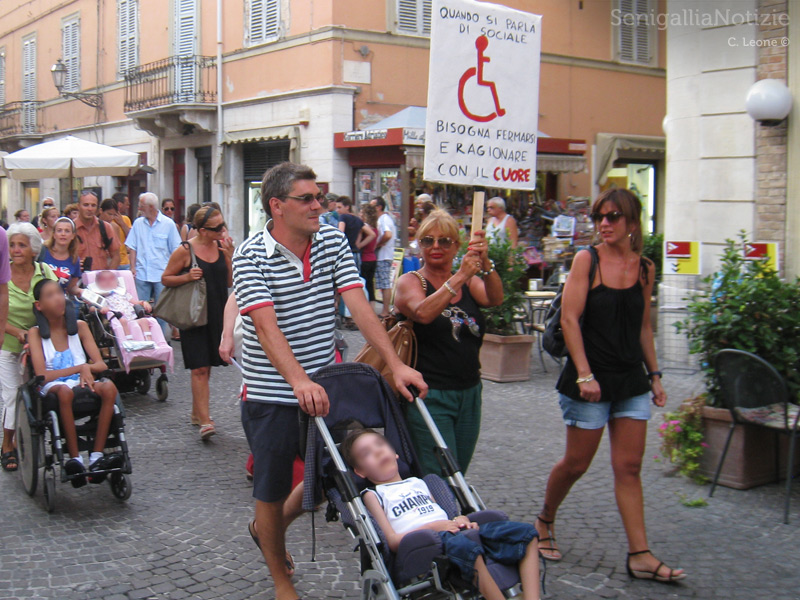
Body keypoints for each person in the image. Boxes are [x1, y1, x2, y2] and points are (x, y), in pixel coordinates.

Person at [233, 161, 427, 600]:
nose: (319, 205)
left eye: (319, 196)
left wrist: (395, 364)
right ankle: (281, 578)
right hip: (271, 393)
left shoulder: (332, 241)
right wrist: (298, 381)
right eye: (308, 199)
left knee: (329, 479)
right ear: (277, 206)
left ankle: (268, 529)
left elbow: (358, 304)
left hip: (325, 384)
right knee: (272, 486)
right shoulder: (248, 256)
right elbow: (266, 328)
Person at [535, 189, 685, 583]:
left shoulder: (646, 268)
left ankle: (640, 554)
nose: (604, 222)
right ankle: (544, 519)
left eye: (614, 215)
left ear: (633, 223)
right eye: (601, 215)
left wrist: (654, 375)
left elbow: (643, 327)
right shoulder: (588, 260)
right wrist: (584, 374)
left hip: (630, 379)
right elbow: (569, 319)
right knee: (577, 464)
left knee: (630, 467)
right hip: (590, 379)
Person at [342, 428, 541, 600]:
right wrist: (434, 527)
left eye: (380, 444)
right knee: (466, 546)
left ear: (395, 453)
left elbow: (443, 516)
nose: (377, 451)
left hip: (454, 533)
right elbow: (392, 541)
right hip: (424, 544)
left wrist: (459, 519)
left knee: (525, 533)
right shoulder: (374, 495)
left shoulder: (419, 483)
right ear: (360, 471)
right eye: (367, 453)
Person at [394, 210, 502, 475]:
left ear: (457, 246)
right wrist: (460, 276)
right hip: (430, 394)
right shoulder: (411, 281)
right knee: (441, 473)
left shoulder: (469, 283)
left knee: (459, 471)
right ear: (419, 245)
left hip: (469, 391)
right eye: (427, 240)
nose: (435, 247)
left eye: (444, 241)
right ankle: (446, 517)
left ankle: (453, 515)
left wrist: (485, 264)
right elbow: (422, 313)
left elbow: (495, 298)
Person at [27, 279, 121, 486]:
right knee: (64, 392)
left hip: (82, 381)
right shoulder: (35, 334)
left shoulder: (80, 327)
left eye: (59, 293)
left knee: (109, 388)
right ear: (39, 305)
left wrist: (86, 368)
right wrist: (81, 367)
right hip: (53, 386)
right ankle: (75, 458)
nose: (58, 299)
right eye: (50, 295)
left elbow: (100, 364)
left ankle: (97, 456)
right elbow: (42, 374)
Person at [162, 205, 232, 440]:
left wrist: (230, 255)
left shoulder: (222, 246)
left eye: (223, 224)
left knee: (207, 365)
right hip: (193, 314)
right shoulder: (185, 250)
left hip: (216, 312)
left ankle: (196, 411)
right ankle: (205, 420)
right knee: (199, 368)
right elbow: (166, 279)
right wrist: (186, 276)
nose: (223, 230)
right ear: (202, 230)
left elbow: (230, 280)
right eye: (217, 227)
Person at [1, 224, 56, 472]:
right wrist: (17, 332)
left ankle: (47, 434)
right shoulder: (3, 273)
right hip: (8, 343)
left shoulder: (44, 272)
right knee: (12, 394)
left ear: (33, 249)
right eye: (12, 245)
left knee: (45, 390)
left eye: (22, 245)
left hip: (40, 344)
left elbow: (56, 302)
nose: (15, 250)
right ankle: (7, 444)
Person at [125, 193, 182, 335]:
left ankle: (161, 337)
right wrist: (132, 267)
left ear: (150, 207)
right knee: (140, 309)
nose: (139, 208)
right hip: (142, 273)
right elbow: (132, 247)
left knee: (162, 310)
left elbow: (176, 249)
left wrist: (173, 271)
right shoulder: (138, 223)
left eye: (141, 205)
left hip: (161, 273)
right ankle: (143, 336)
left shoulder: (168, 224)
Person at [89, 270, 153, 341]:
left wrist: (144, 303)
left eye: (112, 279)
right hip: (116, 320)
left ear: (117, 282)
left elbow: (135, 302)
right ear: (97, 283)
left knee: (144, 320)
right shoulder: (99, 296)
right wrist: (100, 309)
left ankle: (149, 341)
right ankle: (130, 341)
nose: (108, 282)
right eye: (103, 280)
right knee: (123, 321)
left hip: (131, 318)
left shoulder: (122, 292)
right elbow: (91, 308)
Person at [75, 190, 121, 271]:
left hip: (99, 279)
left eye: (93, 205)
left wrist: (108, 274)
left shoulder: (106, 227)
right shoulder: (70, 228)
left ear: (97, 208)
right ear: (78, 206)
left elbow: (116, 256)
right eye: (86, 205)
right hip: (77, 280)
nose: (90, 209)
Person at [41, 217, 83, 299]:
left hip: (60, 301)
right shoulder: (42, 252)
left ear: (73, 236)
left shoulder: (74, 259)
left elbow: (71, 288)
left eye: (67, 231)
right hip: (41, 299)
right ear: (54, 234)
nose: (63, 234)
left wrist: (82, 292)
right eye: (59, 230)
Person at [371, 197, 397, 319]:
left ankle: (385, 310)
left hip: (384, 255)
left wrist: (379, 243)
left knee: (385, 283)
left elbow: (387, 234)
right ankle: (385, 309)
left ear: (379, 207)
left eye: (372, 206)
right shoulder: (382, 219)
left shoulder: (384, 219)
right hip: (384, 255)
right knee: (383, 283)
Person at [336, 196, 374, 274]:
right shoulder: (358, 219)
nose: (337, 210)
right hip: (356, 253)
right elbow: (372, 234)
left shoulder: (343, 217)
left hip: (345, 253)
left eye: (339, 207)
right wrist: (359, 245)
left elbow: (340, 233)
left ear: (347, 207)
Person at [99, 199, 131, 271]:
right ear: (101, 211)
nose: (111, 217)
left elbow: (116, 250)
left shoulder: (114, 226)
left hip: (115, 262)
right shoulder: (95, 225)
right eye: (109, 214)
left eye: (114, 215)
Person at [358, 204, 379, 302]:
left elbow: (358, 244)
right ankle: (372, 306)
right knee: (370, 285)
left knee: (363, 284)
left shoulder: (364, 228)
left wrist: (359, 244)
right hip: (373, 258)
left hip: (364, 258)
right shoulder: (375, 228)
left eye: (361, 212)